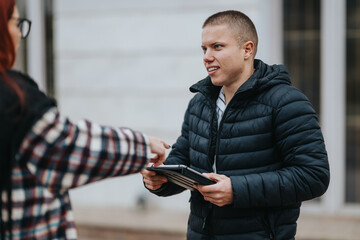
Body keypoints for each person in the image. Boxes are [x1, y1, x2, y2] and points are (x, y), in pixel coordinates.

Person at [141, 10, 330, 240]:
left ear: (247, 50)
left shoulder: (286, 102)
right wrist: (159, 178)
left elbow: (313, 176)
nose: (207, 56)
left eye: (217, 47)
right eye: (204, 49)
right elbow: (183, 160)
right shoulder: (200, 103)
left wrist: (236, 190)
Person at [0, 1, 170, 239]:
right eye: (16, 23)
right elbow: (67, 147)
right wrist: (142, 146)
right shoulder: (12, 98)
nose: (20, 33)